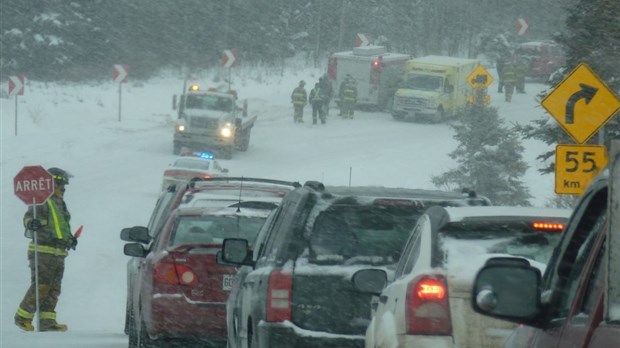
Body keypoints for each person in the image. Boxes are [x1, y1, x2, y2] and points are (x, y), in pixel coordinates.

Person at [15, 167, 77, 332]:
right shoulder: (41, 200)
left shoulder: (60, 204)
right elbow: (28, 217)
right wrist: (31, 223)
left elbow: (63, 226)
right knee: (41, 285)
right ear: (53, 184)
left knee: (54, 288)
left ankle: (47, 321)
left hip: (58, 253)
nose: (64, 189)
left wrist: (71, 240)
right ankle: (22, 318)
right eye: (61, 185)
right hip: (43, 251)